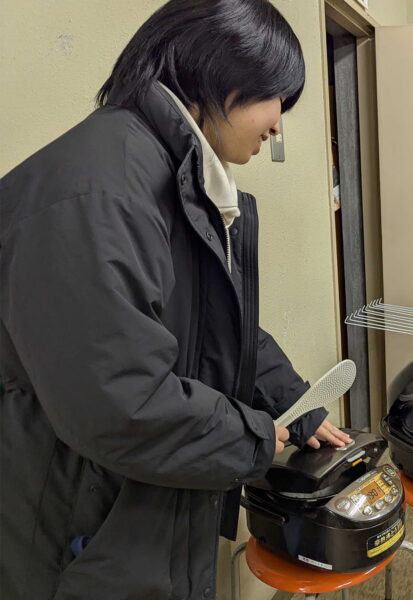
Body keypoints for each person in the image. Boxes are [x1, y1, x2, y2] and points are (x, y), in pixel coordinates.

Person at [0, 1, 351, 598]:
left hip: (135, 503)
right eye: (277, 102)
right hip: (79, 527)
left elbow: (217, 326)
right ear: (222, 73)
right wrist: (257, 438)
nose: (276, 127)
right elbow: (119, 403)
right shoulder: (97, 191)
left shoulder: (170, 175)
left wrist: (294, 401)